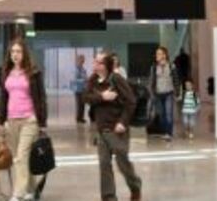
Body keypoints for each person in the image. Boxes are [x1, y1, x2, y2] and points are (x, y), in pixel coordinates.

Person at [84, 52, 142, 201]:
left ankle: (135, 185)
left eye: (99, 63)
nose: (95, 65)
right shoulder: (93, 80)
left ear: (106, 65)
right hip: (101, 129)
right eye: (95, 62)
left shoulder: (116, 79)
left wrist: (123, 122)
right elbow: (86, 97)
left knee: (122, 162)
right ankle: (109, 197)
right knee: (104, 164)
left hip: (117, 129)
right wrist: (102, 97)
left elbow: (131, 101)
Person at [0, 39, 48, 201]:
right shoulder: (7, 72)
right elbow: (3, 98)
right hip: (12, 120)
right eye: (12, 52)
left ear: (24, 53)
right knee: (20, 158)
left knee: (21, 156)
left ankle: (17, 194)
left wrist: (42, 122)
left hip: (29, 120)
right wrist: (1, 121)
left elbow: (41, 98)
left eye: (18, 51)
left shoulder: (33, 72)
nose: (15, 55)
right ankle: (31, 189)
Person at [148, 46, 179, 141]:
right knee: (161, 115)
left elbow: (176, 79)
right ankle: (165, 132)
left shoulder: (171, 66)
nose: (157, 55)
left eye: (159, 53)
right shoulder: (154, 67)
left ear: (164, 55)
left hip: (169, 93)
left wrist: (177, 93)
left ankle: (169, 133)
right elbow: (151, 81)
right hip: (158, 94)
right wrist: (151, 92)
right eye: (156, 53)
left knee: (169, 114)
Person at [71, 54, 88, 124]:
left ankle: (81, 117)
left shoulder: (83, 69)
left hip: (83, 89)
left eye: (83, 60)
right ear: (78, 60)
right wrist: (83, 80)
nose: (83, 61)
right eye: (81, 60)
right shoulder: (76, 69)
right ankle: (78, 118)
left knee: (83, 103)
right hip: (78, 89)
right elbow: (75, 79)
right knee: (79, 104)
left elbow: (85, 77)